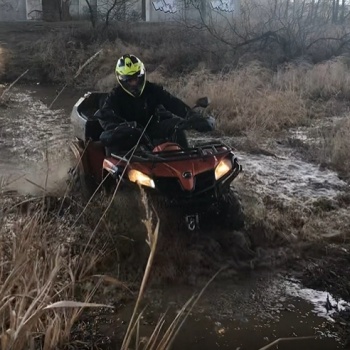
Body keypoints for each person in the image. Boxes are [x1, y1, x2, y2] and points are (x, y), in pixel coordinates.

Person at [97, 53, 192, 150]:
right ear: (122, 79)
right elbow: (105, 116)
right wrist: (118, 128)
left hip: (152, 128)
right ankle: (115, 165)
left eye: (136, 78)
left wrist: (191, 115)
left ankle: (187, 156)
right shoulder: (115, 95)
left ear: (141, 75)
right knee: (110, 140)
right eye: (129, 80)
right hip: (129, 134)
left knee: (176, 126)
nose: (134, 83)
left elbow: (172, 102)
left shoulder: (152, 89)